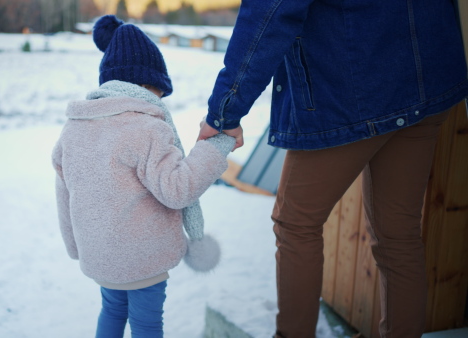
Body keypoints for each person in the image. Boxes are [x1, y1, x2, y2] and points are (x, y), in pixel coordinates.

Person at [197, 1, 468, 337]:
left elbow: (271, 9)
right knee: (399, 236)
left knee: (296, 224)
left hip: (350, 90)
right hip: (429, 75)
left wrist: (225, 111)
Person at [52, 15, 235, 338]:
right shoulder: (147, 128)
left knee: (111, 310)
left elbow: (64, 193)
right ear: (147, 85)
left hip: (100, 257)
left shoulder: (73, 129)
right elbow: (178, 189)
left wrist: (74, 246)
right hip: (143, 259)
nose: (161, 101)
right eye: (160, 92)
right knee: (147, 325)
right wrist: (216, 148)